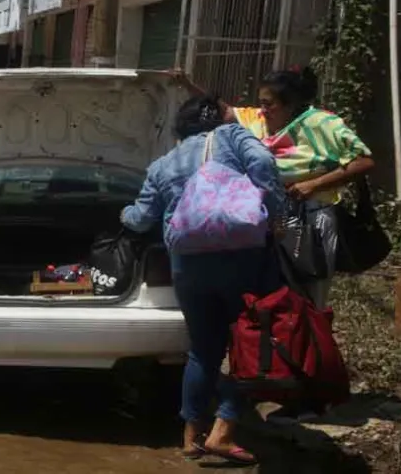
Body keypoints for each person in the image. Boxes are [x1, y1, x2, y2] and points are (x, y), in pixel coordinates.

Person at [121, 95, 286, 466]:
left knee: (202, 349)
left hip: (188, 265)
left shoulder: (164, 162)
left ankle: (190, 436)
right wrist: (273, 211)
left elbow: (141, 217)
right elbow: (262, 161)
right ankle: (223, 431)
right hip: (240, 257)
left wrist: (121, 213)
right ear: (216, 119)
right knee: (251, 341)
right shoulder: (231, 136)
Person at [177, 67, 375, 307]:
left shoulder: (322, 124)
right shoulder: (258, 121)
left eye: (269, 104)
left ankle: (308, 338)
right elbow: (222, 109)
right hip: (266, 218)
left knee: (308, 290)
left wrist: (312, 185)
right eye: (261, 103)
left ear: (290, 104)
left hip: (310, 218)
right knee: (267, 293)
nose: (262, 110)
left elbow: (364, 160)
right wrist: (186, 84)